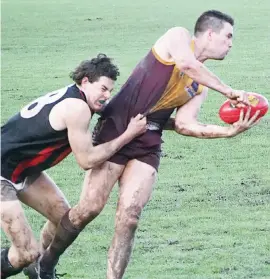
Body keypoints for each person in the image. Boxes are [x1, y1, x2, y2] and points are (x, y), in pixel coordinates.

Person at [28, 10, 261, 279]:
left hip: (148, 140)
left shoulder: (200, 87)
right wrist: (230, 91)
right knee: (88, 208)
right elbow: (187, 64)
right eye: (228, 36)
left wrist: (228, 132)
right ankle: (44, 264)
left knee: (129, 217)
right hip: (117, 127)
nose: (231, 43)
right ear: (210, 33)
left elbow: (185, 124)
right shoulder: (177, 37)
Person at [0, 54, 147, 278]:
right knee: (26, 252)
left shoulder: (74, 96)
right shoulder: (77, 108)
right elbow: (86, 161)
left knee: (63, 220)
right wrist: (128, 135)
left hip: (21, 168)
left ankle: (38, 270)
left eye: (110, 90)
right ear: (86, 81)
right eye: (103, 89)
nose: (107, 96)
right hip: (2, 172)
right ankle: (31, 262)